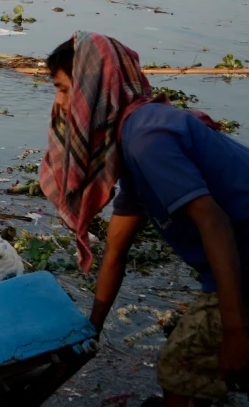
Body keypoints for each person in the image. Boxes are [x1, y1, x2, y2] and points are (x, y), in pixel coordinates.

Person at [42, 32, 249, 406]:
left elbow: (214, 223)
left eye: (64, 89)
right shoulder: (130, 140)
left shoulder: (146, 137)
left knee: (181, 365)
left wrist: (235, 330)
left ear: (93, 90)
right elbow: (115, 251)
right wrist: (91, 332)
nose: (59, 103)